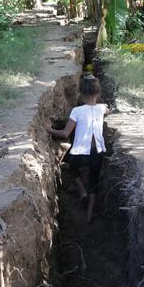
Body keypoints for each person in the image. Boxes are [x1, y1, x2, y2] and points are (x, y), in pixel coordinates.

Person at [45, 75, 109, 223]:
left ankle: (82, 191)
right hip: (98, 153)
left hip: (81, 155)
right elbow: (107, 109)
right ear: (98, 93)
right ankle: (89, 215)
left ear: (80, 94)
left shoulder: (77, 111)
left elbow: (65, 134)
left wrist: (49, 130)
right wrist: (106, 108)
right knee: (94, 181)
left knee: (69, 166)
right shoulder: (101, 108)